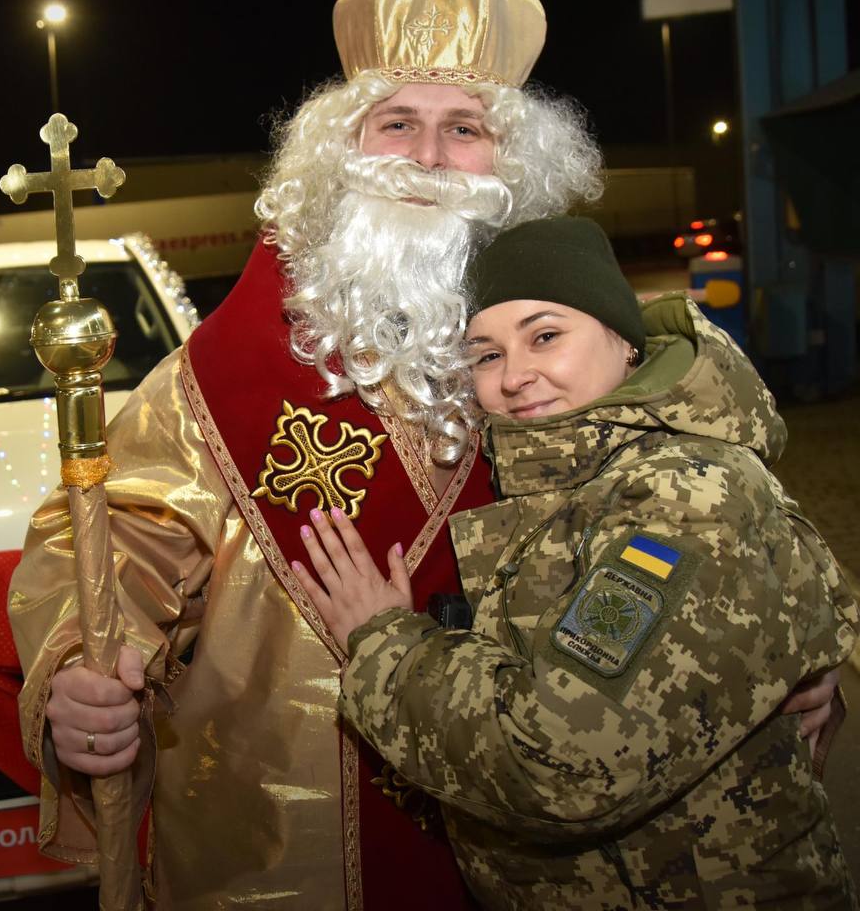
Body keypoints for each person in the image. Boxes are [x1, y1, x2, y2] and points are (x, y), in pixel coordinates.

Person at [8, 0, 837, 907]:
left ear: (513, 164)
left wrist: (781, 659)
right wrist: (80, 670)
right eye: (397, 122)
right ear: (342, 150)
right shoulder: (215, 376)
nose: (429, 158)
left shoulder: (586, 353)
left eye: (465, 128)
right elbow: (111, 542)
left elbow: (718, 539)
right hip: (279, 853)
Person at [292, 216, 858, 908]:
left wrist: (383, 641)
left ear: (623, 339)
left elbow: (564, 762)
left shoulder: (680, 495)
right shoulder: (576, 477)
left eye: (545, 336)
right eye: (485, 355)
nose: (515, 376)